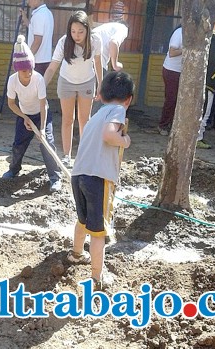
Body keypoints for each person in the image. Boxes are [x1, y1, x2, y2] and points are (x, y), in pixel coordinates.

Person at [67, 71, 133, 290]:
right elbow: (109, 135)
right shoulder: (118, 110)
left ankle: (76, 254)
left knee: (83, 220)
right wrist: (124, 140)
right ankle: (97, 277)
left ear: (101, 95)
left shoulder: (96, 114)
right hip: (97, 178)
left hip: (78, 175)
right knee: (98, 232)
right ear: (128, 99)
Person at [2, 35, 62, 192]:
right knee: (18, 145)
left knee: (46, 144)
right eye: (23, 70)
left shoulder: (38, 79)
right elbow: (11, 104)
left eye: (30, 69)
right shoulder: (12, 81)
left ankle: (55, 178)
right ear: (17, 69)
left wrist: (42, 128)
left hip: (42, 114)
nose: (28, 73)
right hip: (24, 114)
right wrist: (25, 118)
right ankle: (13, 170)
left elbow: (43, 105)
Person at [44, 11, 102, 168]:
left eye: (81, 31)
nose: (77, 35)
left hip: (87, 81)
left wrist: (100, 84)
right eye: (73, 31)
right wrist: (42, 86)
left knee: (85, 119)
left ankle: (83, 154)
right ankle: (67, 155)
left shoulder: (95, 40)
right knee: (68, 119)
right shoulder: (64, 42)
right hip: (67, 81)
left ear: (87, 30)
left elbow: (98, 63)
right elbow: (52, 68)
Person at [157, 25, 182, 136]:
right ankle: (163, 125)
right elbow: (172, 53)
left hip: (182, 71)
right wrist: (187, 49)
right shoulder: (179, 33)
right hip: (172, 70)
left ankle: (174, 125)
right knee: (171, 99)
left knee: (179, 100)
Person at [20, 0, 53, 76]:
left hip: (37, 61)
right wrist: (25, 19)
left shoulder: (39, 15)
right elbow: (35, 30)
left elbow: (37, 41)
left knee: (32, 87)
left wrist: (26, 59)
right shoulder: (47, 13)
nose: (28, 2)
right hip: (45, 59)